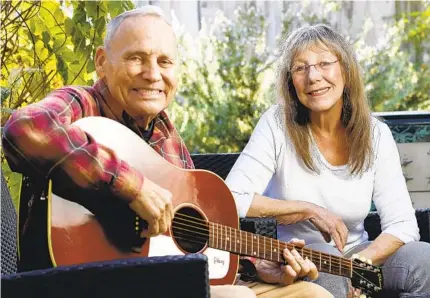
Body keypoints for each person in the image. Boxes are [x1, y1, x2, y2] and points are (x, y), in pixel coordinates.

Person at [2, 6, 333, 298]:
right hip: (83, 282)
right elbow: (27, 130)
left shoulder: (165, 134)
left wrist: (254, 265)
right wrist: (132, 187)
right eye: (136, 58)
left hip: (161, 279)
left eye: (164, 62)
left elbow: (189, 237)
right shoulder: (83, 105)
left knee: (310, 293)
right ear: (102, 63)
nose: (152, 74)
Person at [226, 23, 430, 297]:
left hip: (359, 253)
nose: (313, 77)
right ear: (291, 81)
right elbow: (232, 197)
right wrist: (307, 209)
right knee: (329, 289)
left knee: (426, 261)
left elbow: (403, 224)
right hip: (304, 262)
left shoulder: (376, 134)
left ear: (345, 70)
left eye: (324, 63)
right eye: (300, 68)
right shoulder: (276, 124)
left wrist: (361, 263)